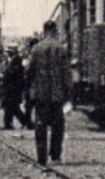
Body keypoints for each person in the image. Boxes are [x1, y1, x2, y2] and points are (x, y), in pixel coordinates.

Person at [28, 19, 72, 166]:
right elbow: (66, 73)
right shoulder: (62, 48)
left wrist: (29, 90)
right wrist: (68, 93)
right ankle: (55, 154)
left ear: (44, 31)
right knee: (58, 125)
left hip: (40, 93)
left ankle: (41, 157)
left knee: (40, 124)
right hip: (56, 94)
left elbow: (29, 71)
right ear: (54, 30)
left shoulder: (36, 49)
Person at [0, 45, 28, 131]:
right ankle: (25, 123)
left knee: (10, 107)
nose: (7, 53)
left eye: (9, 52)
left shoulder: (16, 62)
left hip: (13, 89)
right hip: (12, 88)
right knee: (13, 108)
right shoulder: (13, 61)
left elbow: (11, 74)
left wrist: (3, 75)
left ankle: (9, 124)